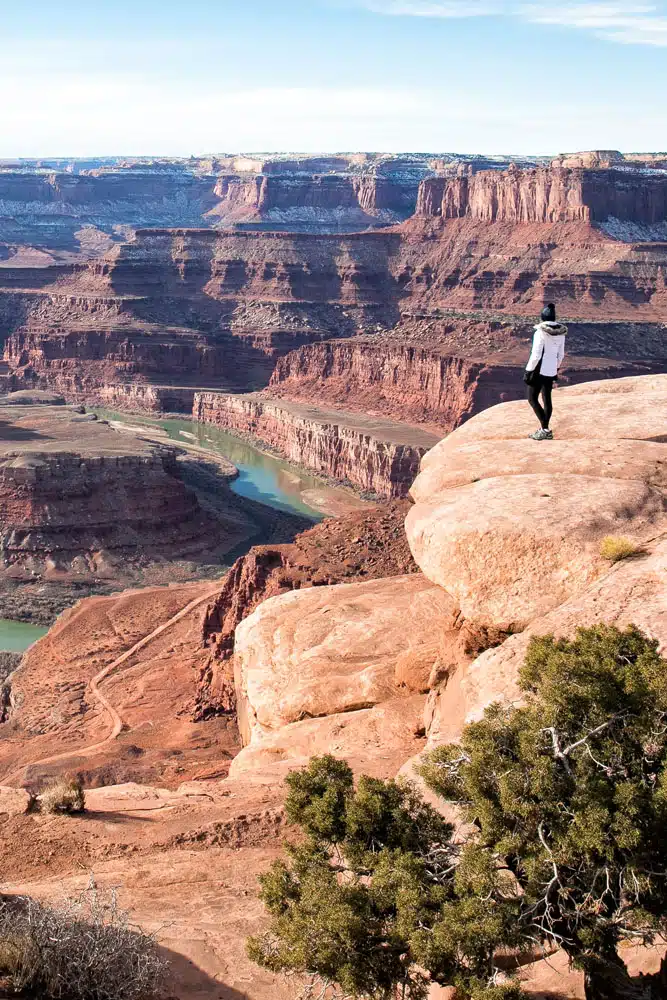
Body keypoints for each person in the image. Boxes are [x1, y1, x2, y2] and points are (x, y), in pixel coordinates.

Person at [523, 302, 568, 440]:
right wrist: (556, 367)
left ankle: (545, 429)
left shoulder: (540, 332)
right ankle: (545, 429)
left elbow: (536, 354)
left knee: (532, 398)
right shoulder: (561, 334)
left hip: (537, 369)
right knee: (547, 399)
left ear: (542, 318)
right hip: (550, 370)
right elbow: (561, 354)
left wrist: (528, 370)